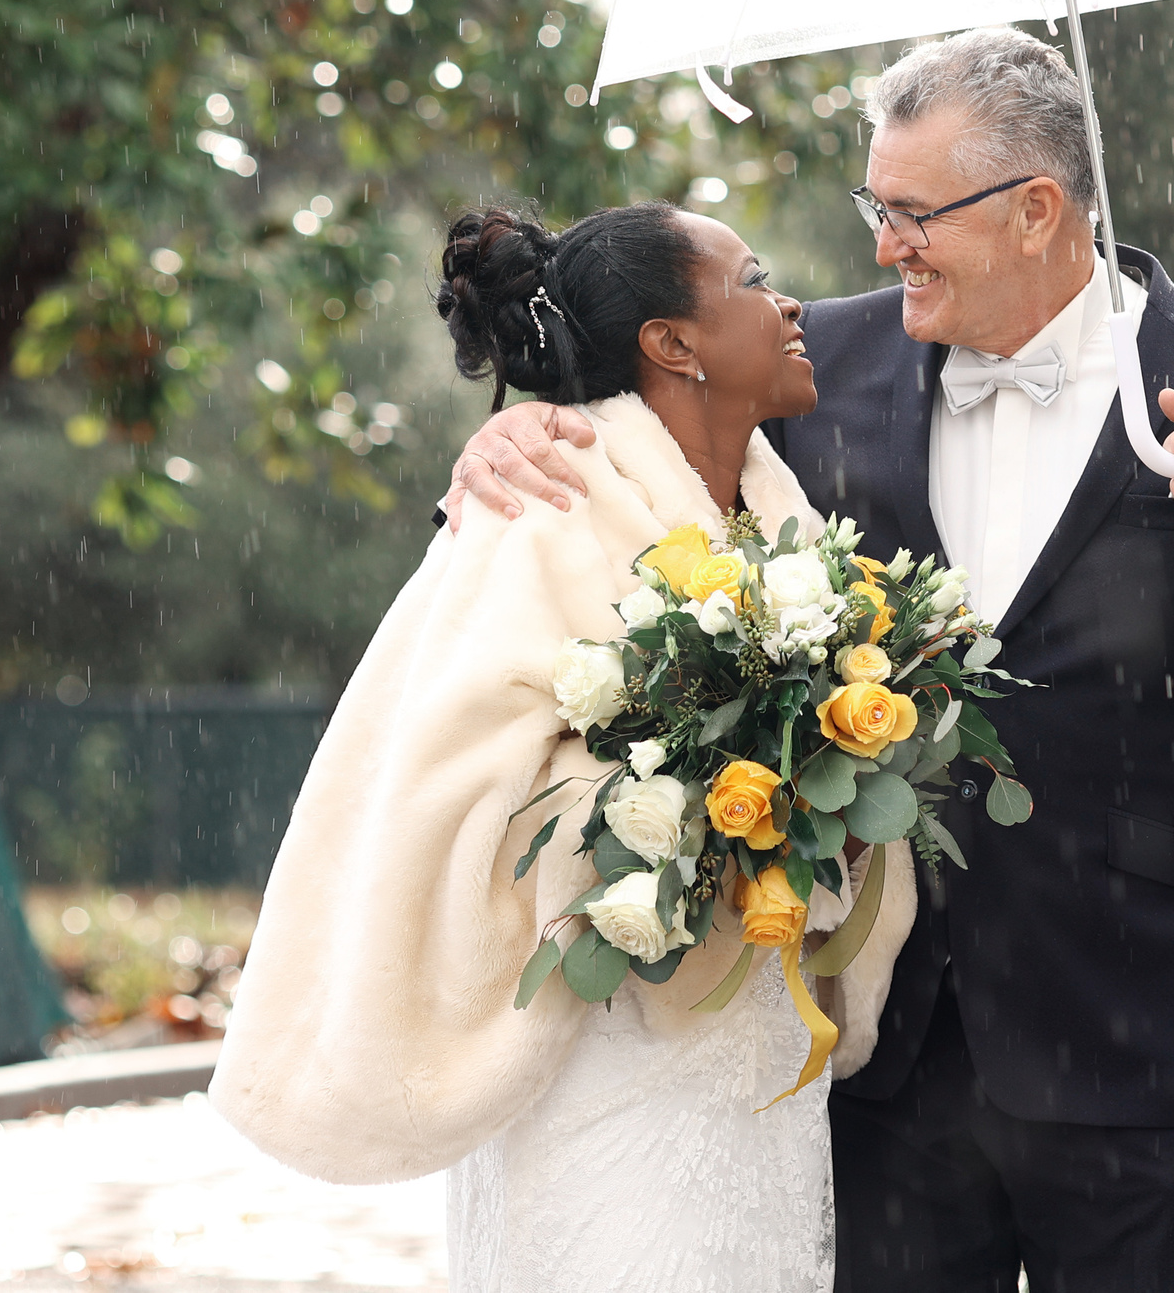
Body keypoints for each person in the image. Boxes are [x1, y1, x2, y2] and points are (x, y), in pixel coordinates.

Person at [443, 28, 1174, 1292]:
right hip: (882, 1046)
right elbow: (619, 453)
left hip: (1136, 1046)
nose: (884, 245)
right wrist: (505, 443)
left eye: (911, 214)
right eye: (874, 207)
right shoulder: (815, 363)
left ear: (1038, 207)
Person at [211, 200, 916, 1293]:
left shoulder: (782, 513)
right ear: (671, 343)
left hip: (762, 1069)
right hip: (602, 1067)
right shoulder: (536, 505)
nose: (790, 303)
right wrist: (667, 809)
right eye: (752, 279)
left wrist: (830, 789)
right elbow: (440, 786)